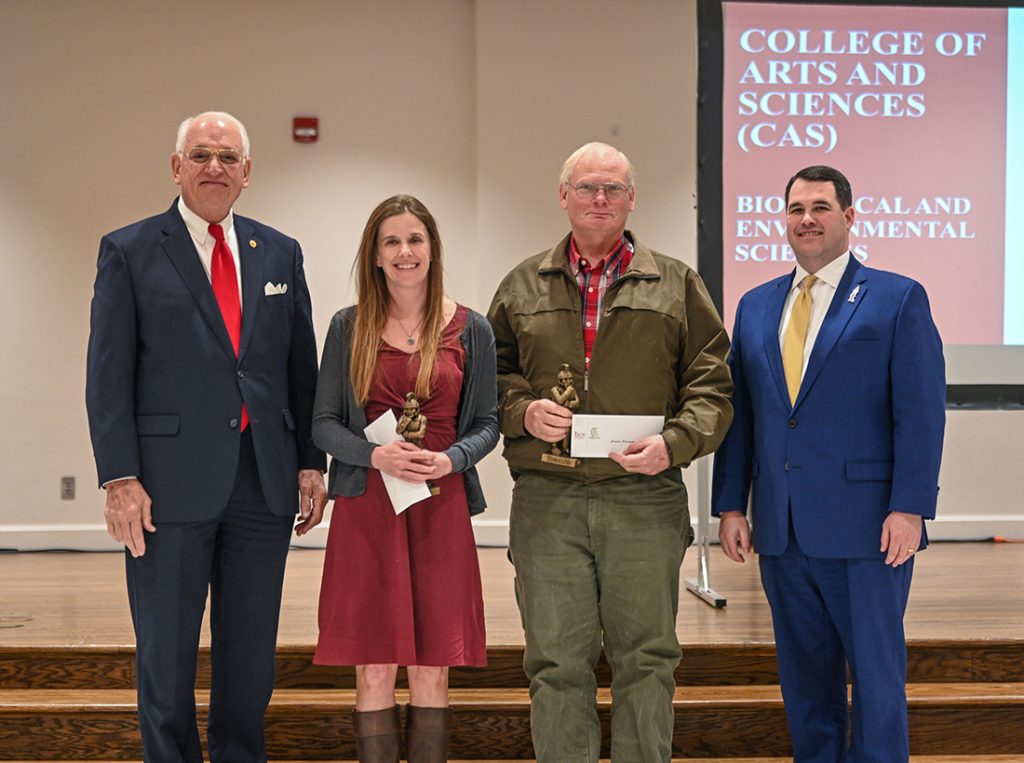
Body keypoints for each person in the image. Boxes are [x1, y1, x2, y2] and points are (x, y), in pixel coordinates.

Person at [85, 111, 327, 761]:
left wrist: (310, 462)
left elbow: (299, 368)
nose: (214, 167)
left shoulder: (279, 252)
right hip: (164, 489)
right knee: (165, 657)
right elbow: (106, 378)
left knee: (249, 658)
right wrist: (119, 478)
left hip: (263, 483)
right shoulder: (130, 250)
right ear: (176, 167)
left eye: (227, 158)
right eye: (201, 155)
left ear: (247, 174)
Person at [486, 142, 734, 762]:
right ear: (563, 195)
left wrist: (673, 445)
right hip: (548, 497)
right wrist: (522, 411)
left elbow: (711, 386)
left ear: (632, 199)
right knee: (555, 662)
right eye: (589, 187)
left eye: (614, 189)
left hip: (644, 499)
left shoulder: (678, 284)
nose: (601, 199)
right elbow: (489, 377)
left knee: (647, 659)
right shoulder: (520, 285)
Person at [711, 165, 945, 763]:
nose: (807, 218)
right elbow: (745, 415)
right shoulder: (757, 305)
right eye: (796, 208)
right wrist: (731, 504)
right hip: (784, 532)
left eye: (820, 206)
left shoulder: (897, 297)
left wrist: (910, 507)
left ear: (848, 215)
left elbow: (919, 414)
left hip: (868, 530)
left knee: (875, 682)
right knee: (806, 684)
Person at [312, 195, 499, 763]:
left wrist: (452, 460)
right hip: (369, 509)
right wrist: (375, 458)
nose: (404, 252)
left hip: (440, 509)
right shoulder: (348, 327)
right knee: (372, 667)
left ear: (432, 248)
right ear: (375, 255)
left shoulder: (473, 329)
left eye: (414, 239)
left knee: (431, 666)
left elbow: (488, 423)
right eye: (391, 241)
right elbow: (323, 425)